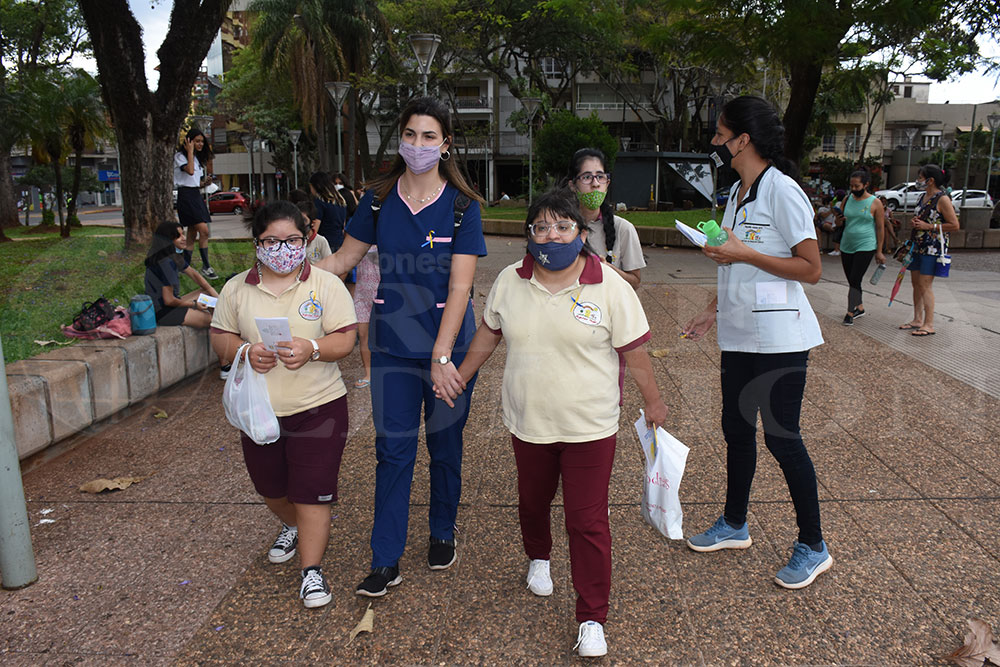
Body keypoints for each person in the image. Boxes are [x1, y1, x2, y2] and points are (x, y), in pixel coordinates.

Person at [441, 188, 666, 658]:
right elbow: (488, 335)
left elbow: (635, 352)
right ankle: (538, 557)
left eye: (563, 226)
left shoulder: (610, 285)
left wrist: (654, 402)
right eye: (541, 227)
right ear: (528, 234)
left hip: (590, 426)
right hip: (529, 421)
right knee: (532, 501)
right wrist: (459, 377)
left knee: (587, 521)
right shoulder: (510, 280)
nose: (552, 235)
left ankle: (592, 617)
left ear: (582, 234)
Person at [314, 97, 487, 597]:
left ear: (445, 144)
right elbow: (342, 260)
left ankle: (442, 529)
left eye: (429, 136)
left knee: (445, 444)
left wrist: (441, 357)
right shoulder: (376, 199)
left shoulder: (462, 206)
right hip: (392, 344)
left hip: (448, 346)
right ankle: (385, 559)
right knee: (392, 450)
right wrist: (287, 273)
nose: (417, 145)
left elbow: (460, 288)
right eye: (410, 134)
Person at [680, 96, 831, 590]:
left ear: (743, 140)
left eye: (720, 135)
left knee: (782, 438)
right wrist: (711, 309)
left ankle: (813, 544)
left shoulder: (782, 191)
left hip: (781, 337)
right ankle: (734, 523)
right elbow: (734, 258)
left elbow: (811, 268)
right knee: (737, 430)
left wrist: (743, 252)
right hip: (740, 333)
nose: (714, 142)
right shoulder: (737, 193)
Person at [209, 201, 358, 609]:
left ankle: (311, 571)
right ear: (256, 244)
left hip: (319, 406)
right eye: (271, 241)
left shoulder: (325, 285)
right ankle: (294, 526)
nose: (282, 249)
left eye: (292, 240)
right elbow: (220, 338)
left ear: (306, 239)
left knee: (311, 493)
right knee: (271, 488)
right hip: (259, 410)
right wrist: (244, 351)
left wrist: (312, 348)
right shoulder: (237, 288)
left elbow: (345, 339)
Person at [564, 148, 645, 288]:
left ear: (607, 183)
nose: (595, 184)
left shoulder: (623, 228)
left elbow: (635, 282)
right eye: (587, 177)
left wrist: (607, 269)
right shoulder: (560, 228)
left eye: (600, 177)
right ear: (572, 185)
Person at [898, 164, 959, 337]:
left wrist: (929, 226)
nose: (918, 181)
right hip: (918, 245)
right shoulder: (923, 196)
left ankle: (929, 323)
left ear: (930, 180)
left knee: (925, 284)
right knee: (916, 283)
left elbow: (954, 225)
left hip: (932, 247)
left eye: (920, 177)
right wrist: (917, 223)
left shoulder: (942, 199)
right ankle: (917, 319)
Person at [838, 170, 885, 325]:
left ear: (866, 185)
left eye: (857, 186)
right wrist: (839, 220)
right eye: (851, 186)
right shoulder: (847, 199)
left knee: (855, 278)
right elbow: (840, 222)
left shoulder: (875, 202)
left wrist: (879, 251)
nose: (854, 189)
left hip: (866, 244)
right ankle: (860, 307)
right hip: (847, 244)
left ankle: (850, 312)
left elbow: (880, 228)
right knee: (852, 280)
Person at [173, 128, 218, 279]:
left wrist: (204, 183)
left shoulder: (196, 159)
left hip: (195, 194)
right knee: (204, 231)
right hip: (186, 196)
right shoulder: (180, 156)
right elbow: (190, 171)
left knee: (192, 233)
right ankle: (206, 266)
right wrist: (190, 152)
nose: (200, 144)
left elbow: (194, 181)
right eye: (197, 141)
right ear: (189, 141)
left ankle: (184, 265)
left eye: (202, 142)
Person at [352, 243, 379, 388]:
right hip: (362, 295)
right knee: (363, 335)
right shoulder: (359, 242)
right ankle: (369, 374)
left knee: (385, 335)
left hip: (382, 293)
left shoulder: (388, 238)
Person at [288, 189, 332, 263]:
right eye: (297, 219)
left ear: (313, 223)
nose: (299, 223)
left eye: (303, 220)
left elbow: (329, 263)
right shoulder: (291, 241)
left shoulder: (321, 241)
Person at [309, 171, 348, 252]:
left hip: (325, 243)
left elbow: (316, 227)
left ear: (316, 186)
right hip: (339, 242)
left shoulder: (320, 202)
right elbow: (343, 225)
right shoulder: (341, 201)